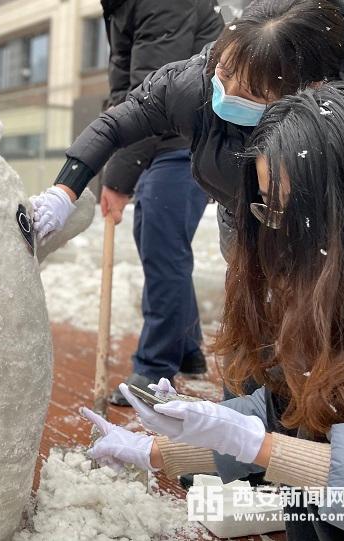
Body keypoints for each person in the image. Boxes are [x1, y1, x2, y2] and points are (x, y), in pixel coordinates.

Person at [80, 81, 344, 540]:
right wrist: (166, 447)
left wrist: (259, 446)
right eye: (266, 209)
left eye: (290, 213)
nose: (275, 236)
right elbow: (287, 417)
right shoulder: (319, 295)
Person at [31, 0, 344, 260]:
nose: (227, 92)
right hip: (237, 214)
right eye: (225, 70)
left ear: (307, 89)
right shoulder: (193, 85)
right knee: (252, 317)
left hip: (330, 232)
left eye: (250, 92)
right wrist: (65, 190)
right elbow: (116, 123)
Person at [98, 0, 223, 406]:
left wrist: (118, 176)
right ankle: (187, 348)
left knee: (161, 242)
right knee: (158, 238)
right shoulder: (120, 7)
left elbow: (151, 95)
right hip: (169, 139)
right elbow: (123, 96)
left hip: (187, 136)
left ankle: (154, 370)